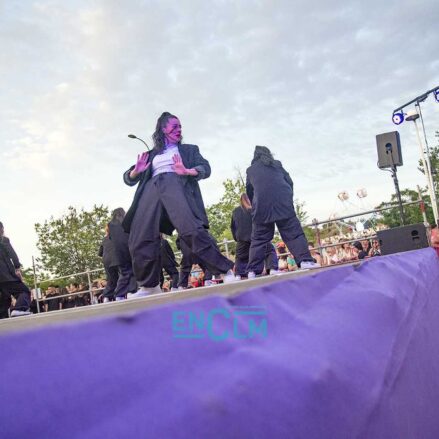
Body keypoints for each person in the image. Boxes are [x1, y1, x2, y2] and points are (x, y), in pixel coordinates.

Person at [123, 112, 235, 296]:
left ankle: (224, 270)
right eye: (174, 126)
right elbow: (128, 178)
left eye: (180, 126)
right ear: (163, 128)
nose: (179, 129)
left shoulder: (189, 150)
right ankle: (150, 286)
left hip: (176, 185)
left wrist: (187, 171)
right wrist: (136, 172)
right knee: (140, 237)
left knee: (191, 230)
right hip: (151, 190)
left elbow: (205, 168)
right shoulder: (150, 155)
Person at [245, 146, 319, 277]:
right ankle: (305, 261)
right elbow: (289, 182)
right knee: (293, 233)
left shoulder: (251, 170)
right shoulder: (277, 164)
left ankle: (252, 270)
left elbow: (249, 192)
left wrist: (255, 206)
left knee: (259, 239)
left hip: (262, 207)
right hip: (283, 203)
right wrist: (288, 197)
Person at [0, 221, 32, 317]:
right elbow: (13, 255)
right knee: (24, 291)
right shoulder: (3, 240)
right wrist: (17, 268)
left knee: (4, 299)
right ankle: (20, 309)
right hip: (6, 275)